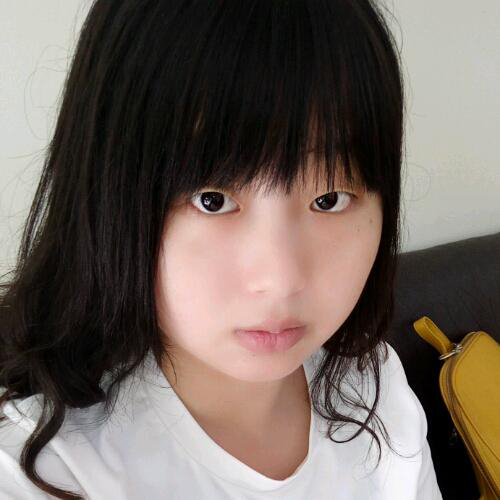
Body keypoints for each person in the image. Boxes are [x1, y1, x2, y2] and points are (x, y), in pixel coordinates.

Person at [0, 1, 443, 499]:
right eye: (212, 200)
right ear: (108, 195)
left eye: (329, 199)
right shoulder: (41, 471)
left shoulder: (372, 383)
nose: (281, 279)